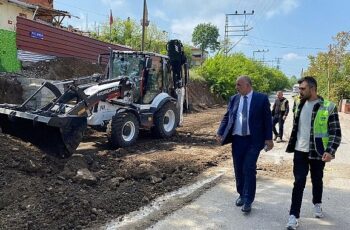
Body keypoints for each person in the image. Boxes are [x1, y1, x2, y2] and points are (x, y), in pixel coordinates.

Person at [285, 76, 342, 230]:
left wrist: (330, 151)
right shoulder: (298, 103)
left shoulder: (328, 106)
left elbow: (335, 132)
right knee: (298, 182)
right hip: (300, 151)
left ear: (313, 88)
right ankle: (293, 216)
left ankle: (317, 203)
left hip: (318, 152)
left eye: (303, 89)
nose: (300, 91)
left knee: (317, 180)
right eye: (299, 89)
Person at [216, 75, 273, 214]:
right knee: (238, 168)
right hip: (237, 140)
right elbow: (227, 116)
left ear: (248, 85)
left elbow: (267, 120)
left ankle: (248, 200)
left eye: (239, 85)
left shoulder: (261, 98)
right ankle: (241, 194)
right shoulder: (234, 99)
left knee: (248, 167)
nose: (236, 87)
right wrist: (220, 132)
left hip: (254, 140)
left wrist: (269, 139)